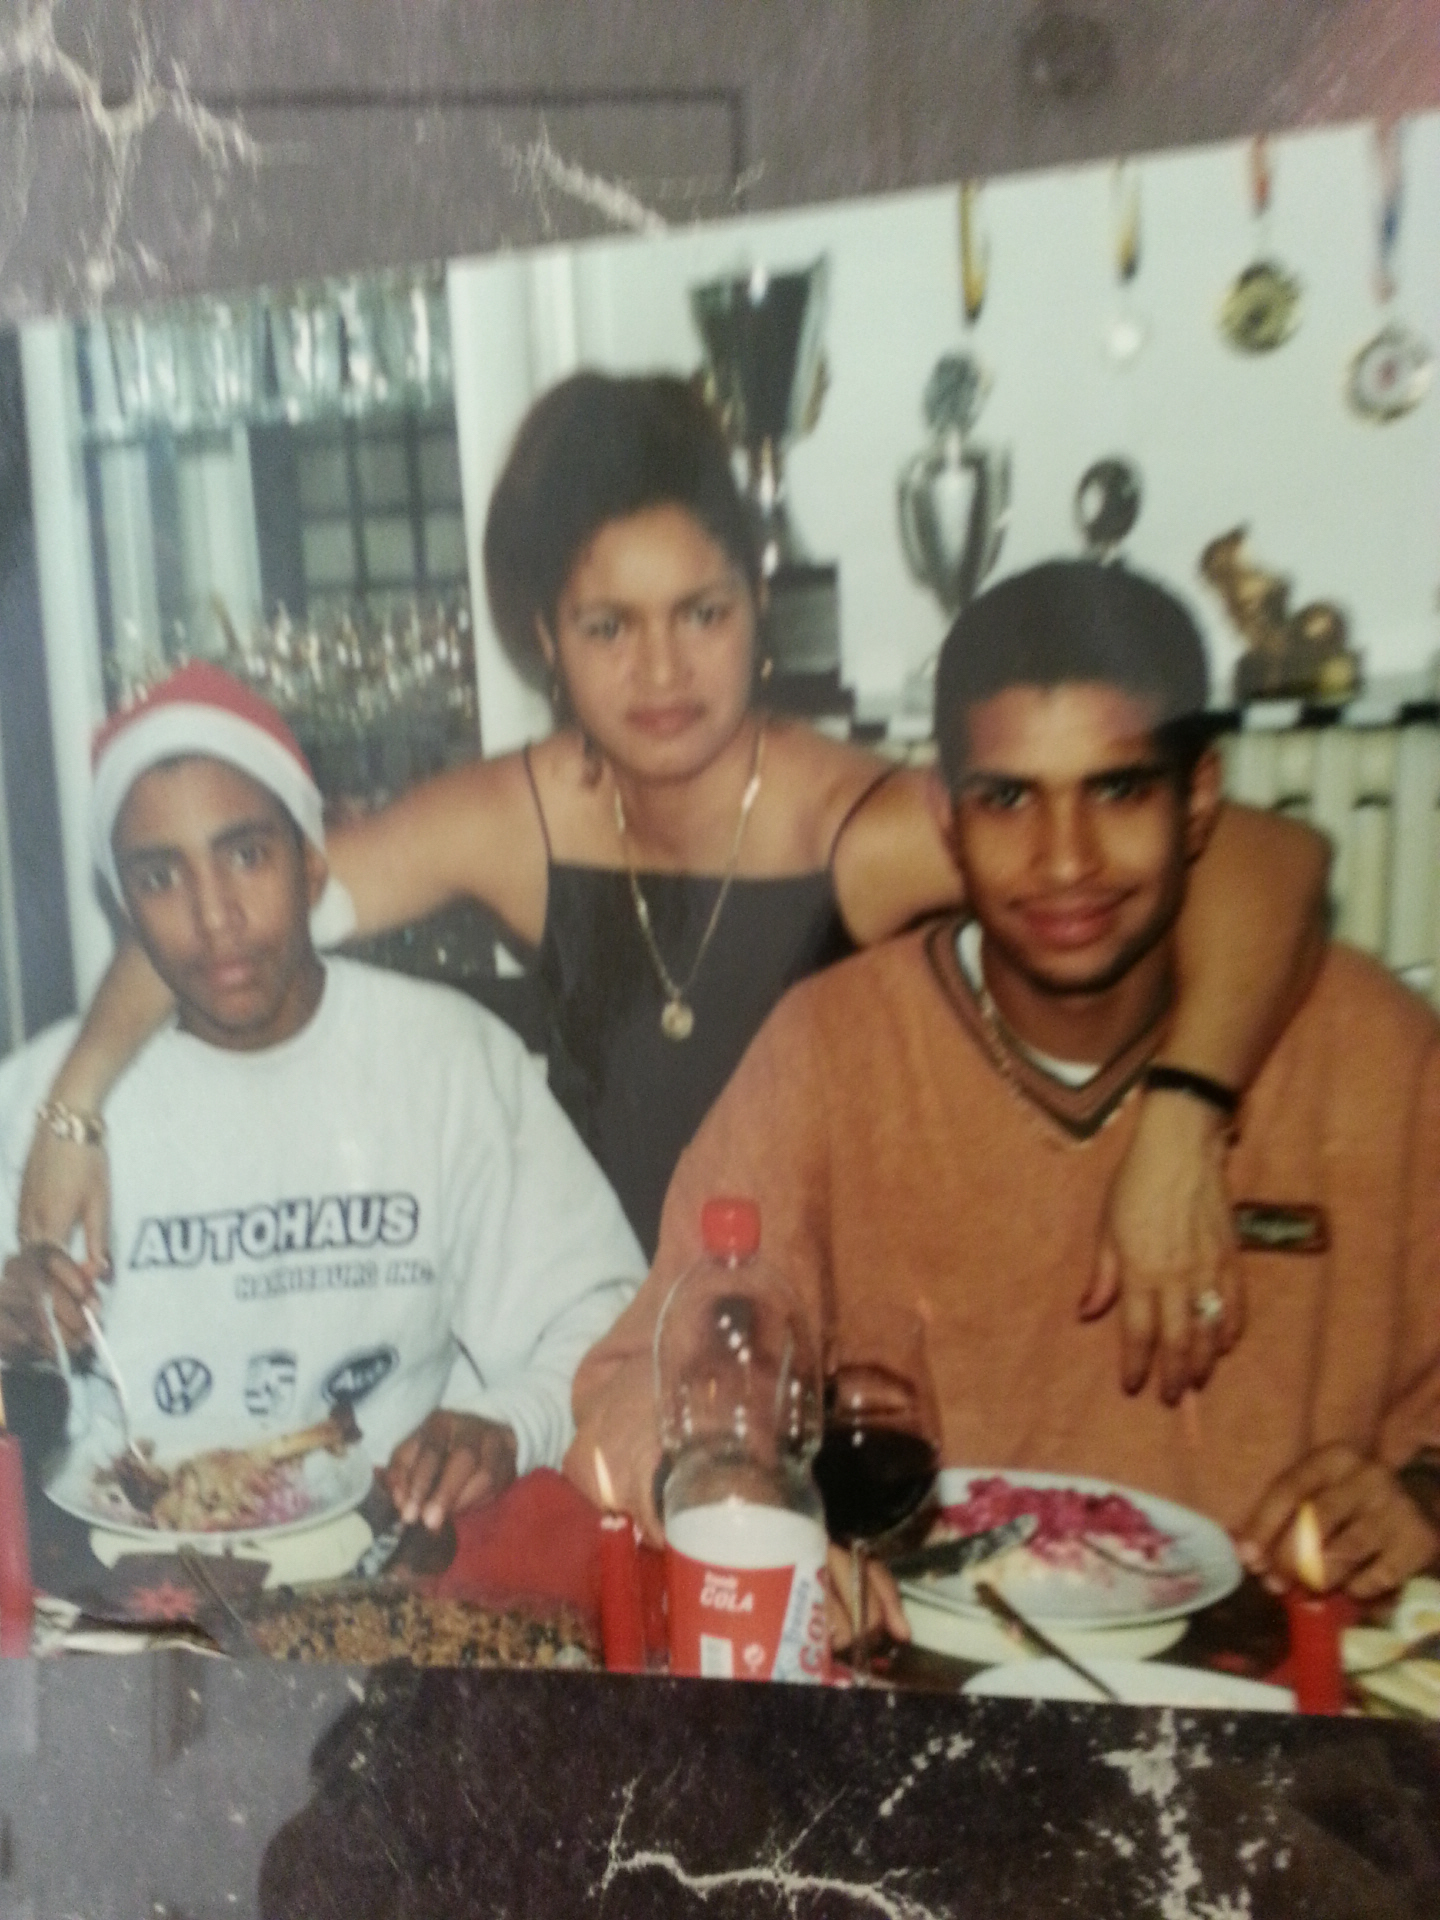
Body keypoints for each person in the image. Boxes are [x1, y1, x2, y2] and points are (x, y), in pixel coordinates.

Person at [20, 374, 1328, 1399]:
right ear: (545, 637)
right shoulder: (515, 819)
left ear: (759, 604)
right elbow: (237, 914)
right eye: (609, 627)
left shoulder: (856, 823)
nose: (662, 672)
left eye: (702, 612)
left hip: (829, 1369)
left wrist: (1184, 1115)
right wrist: (73, 1107)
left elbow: (1266, 857)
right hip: (608, 1365)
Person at [569, 559, 1440, 1610]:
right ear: (945, 815)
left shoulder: (1375, 1051)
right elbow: (633, 1389)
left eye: (1118, 790)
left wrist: (1423, 1496)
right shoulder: (833, 1048)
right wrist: (738, 1501)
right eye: (1009, 798)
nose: (1065, 859)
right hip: (929, 1666)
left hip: (1275, 1680)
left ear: (1199, 798)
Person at [0, 664, 643, 1531]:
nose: (214, 916)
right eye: (159, 878)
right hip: (115, 1571)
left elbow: (606, 1319)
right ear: (124, 909)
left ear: (311, 864)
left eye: (246, 855)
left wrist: (507, 1424)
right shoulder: (41, 1103)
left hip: (390, 1554)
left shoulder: (447, 1060)